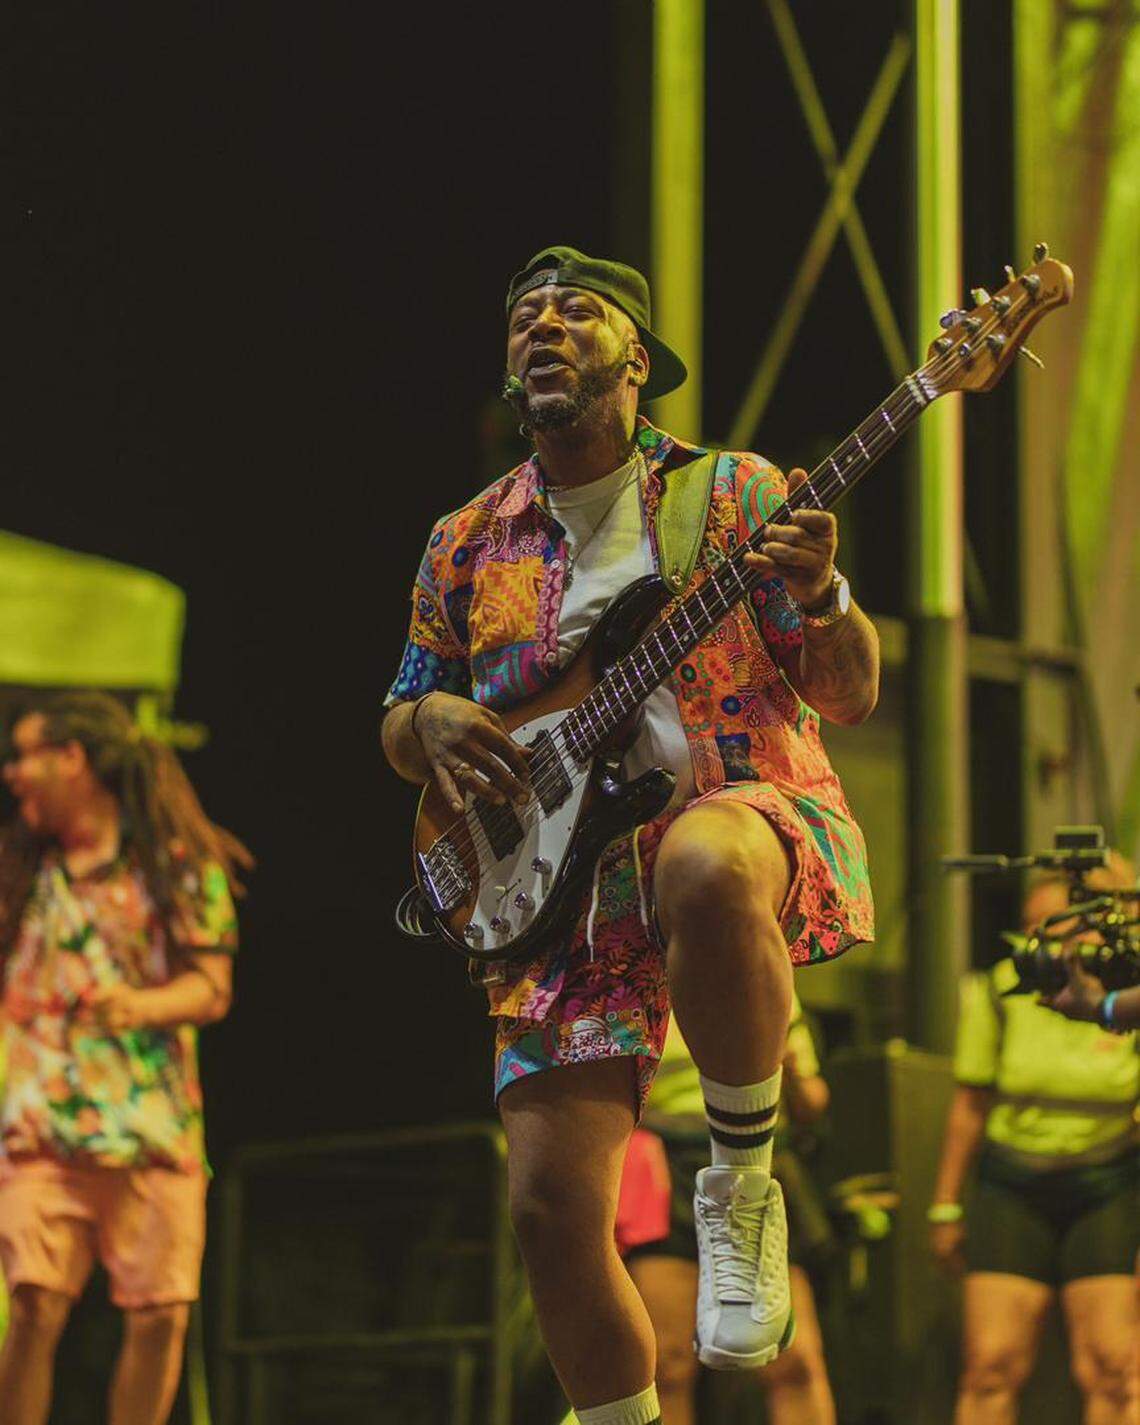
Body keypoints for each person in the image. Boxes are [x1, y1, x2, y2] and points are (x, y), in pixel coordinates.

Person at [381, 245, 877, 1425]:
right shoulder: (466, 538)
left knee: (705, 858)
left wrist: (827, 599)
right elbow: (404, 719)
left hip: (741, 804)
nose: (542, 328)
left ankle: (743, 1189)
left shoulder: (739, 493)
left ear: (636, 360)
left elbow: (847, 695)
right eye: (524, 317)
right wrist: (430, 718)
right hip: (557, 881)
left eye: (576, 312)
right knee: (551, 1219)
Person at [0, 691, 250, 1425]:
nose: (14, 774)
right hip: (42, 1131)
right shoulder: (20, 874)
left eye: (26, 754)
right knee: (34, 1301)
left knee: (160, 1317)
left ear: (73, 758)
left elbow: (212, 987)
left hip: (151, 1128)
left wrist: (136, 1006)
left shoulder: (176, 862)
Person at [929, 871, 1140, 1425]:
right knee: (990, 1363)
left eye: (1057, 927)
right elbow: (970, 1102)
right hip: (1013, 1183)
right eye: (1031, 928)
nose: (1040, 942)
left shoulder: (1128, 991)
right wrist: (946, 1204)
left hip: (1108, 1182)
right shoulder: (1003, 987)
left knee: (1115, 1367)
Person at [616, 996, 836, 1425]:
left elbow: (812, 1101)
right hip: (666, 1159)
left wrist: (787, 1065)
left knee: (792, 1360)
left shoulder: (770, 979)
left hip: (753, 1157)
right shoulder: (635, 980)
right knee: (669, 1362)